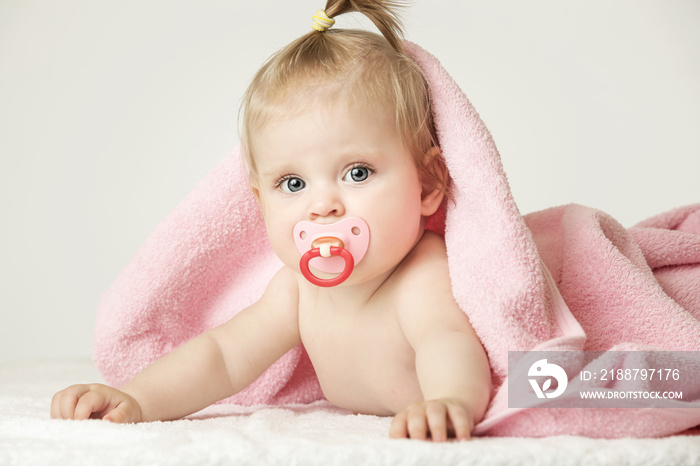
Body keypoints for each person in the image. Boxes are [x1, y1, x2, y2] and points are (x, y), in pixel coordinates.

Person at [50, 0, 492, 442]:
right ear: (260, 201)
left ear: (428, 183)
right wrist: (138, 399)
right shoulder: (297, 291)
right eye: (293, 183)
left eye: (357, 172)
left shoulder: (422, 276)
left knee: (556, 383)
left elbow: (446, 342)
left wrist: (450, 400)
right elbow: (222, 356)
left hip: (459, 390)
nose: (322, 206)